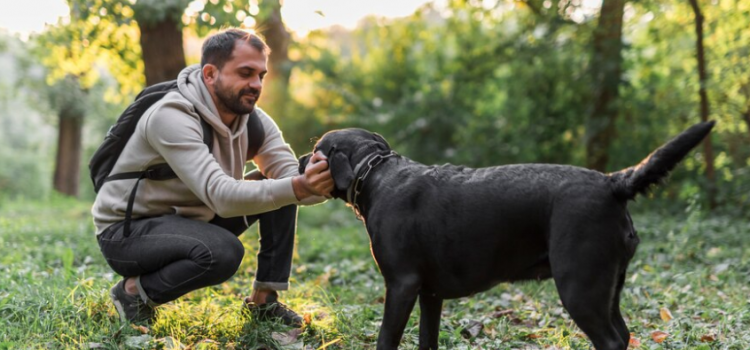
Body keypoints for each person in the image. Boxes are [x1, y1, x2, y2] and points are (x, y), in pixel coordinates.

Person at [91, 28, 333, 327]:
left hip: (195, 219)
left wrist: (323, 180)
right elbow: (221, 196)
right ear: (209, 74)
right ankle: (131, 293)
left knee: (281, 188)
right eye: (245, 73)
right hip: (129, 233)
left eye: (261, 75)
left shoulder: (255, 121)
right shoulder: (172, 115)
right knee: (222, 252)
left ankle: (264, 302)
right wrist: (298, 186)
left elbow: (292, 180)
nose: (255, 84)